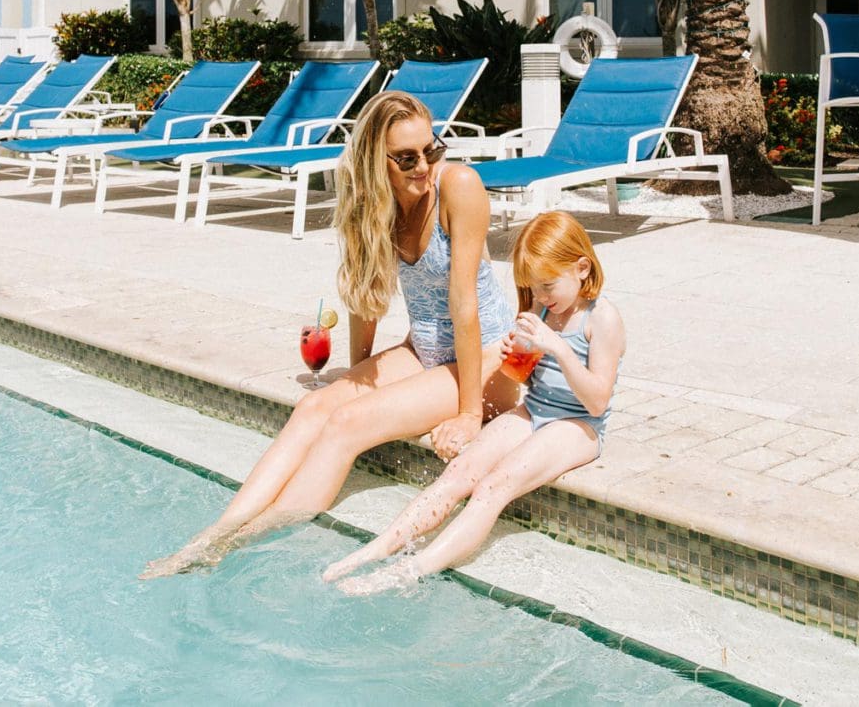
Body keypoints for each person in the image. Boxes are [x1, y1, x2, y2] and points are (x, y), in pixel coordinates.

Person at [141, 90, 519, 579]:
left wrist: (470, 415)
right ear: (375, 160)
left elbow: (464, 307)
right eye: (406, 158)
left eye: (433, 149)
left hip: (486, 357)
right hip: (424, 350)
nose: (424, 166)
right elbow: (366, 296)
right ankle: (213, 534)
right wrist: (359, 371)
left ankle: (238, 547)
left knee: (347, 424)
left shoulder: (458, 187)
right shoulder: (371, 201)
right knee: (315, 407)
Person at [323, 211, 624, 594]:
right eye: (534, 287)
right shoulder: (544, 309)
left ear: (582, 268)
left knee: (494, 485)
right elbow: (526, 379)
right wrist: (516, 356)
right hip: (536, 409)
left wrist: (557, 348)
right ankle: (378, 548)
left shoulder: (603, 319)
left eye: (548, 285)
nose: (542, 297)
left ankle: (412, 569)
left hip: (577, 425)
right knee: (460, 472)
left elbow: (597, 401)